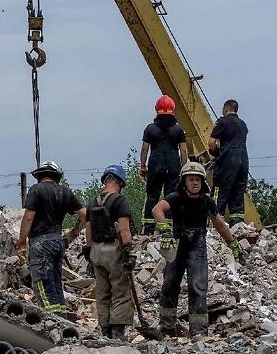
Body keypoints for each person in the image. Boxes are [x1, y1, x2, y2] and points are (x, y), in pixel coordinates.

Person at [152, 162, 246, 337]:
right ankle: (167, 328)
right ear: (184, 181)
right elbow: (157, 209)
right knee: (170, 284)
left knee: (198, 287)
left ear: (203, 182)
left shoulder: (207, 201)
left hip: (198, 245)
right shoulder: (175, 197)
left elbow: (219, 224)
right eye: (191, 179)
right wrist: (164, 229)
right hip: (178, 243)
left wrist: (233, 244)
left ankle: (199, 332)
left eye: (198, 180)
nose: (195, 183)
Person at [15, 161, 86, 317]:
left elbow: (28, 217)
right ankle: (62, 321)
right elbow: (85, 215)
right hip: (57, 242)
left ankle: (52, 324)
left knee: (42, 285)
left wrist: (21, 242)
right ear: (57, 176)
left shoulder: (36, 190)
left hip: (40, 244)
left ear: (39, 176)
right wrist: (73, 233)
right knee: (55, 285)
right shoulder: (65, 192)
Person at [82, 165, 135, 341]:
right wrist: (129, 251)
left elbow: (88, 230)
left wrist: (89, 252)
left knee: (102, 292)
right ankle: (117, 334)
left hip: (96, 250)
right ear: (120, 181)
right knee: (120, 292)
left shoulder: (92, 201)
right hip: (115, 250)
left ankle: (104, 331)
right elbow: (123, 230)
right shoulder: (120, 201)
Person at [140, 95, 188, 234]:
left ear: (156, 110)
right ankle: (168, 229)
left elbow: (145, 148)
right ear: (173, 110)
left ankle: (148, 229)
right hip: (173, 165)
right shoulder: (178, 130)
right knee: (171, 196)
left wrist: (143, 166)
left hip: (155, 164)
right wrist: (184, 169)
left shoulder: (150, 128)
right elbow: (183, 150)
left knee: (152, 196)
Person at [208, 99, 249, 226]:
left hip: (228, 160)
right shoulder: (243, 124)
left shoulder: (222, 122)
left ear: (226, 109)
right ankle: (237, 224)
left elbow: (211, 143)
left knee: (219, 191)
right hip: (243, 160)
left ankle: (213, 224)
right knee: (238, 192)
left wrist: (215, 153)